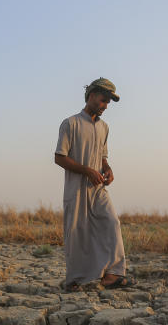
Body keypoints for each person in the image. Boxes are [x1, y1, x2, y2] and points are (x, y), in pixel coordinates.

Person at [53, 77, 130, 291]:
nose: (105, 106)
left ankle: (113, 274)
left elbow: (102, 156)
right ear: (91, 96)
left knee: (111, 222)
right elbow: (59, 157)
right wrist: (87, 170)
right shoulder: (71, 123)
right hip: (76, 187)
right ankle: (76, 280)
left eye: (108, 103)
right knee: (78, 232)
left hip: (98, 188)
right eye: (103, 100)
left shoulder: (104, 127)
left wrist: (107, 168)